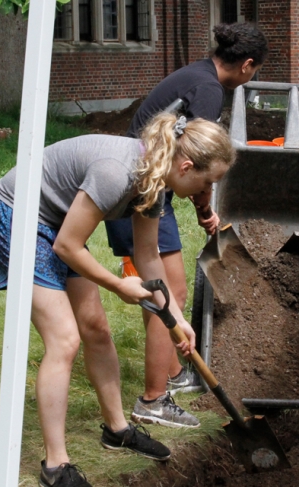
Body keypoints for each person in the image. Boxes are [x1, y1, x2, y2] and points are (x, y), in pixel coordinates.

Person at [0, 113, 236, 487]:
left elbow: (148, 255)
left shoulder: (155, 178)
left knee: (97, 329)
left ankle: (117, 429)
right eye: (208, 182)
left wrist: (177, 320)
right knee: (64, 340)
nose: (206, 193)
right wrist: (119, 286)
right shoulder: (118, 172)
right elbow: (67, 246)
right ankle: (55, 466)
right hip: (18, 214)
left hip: (56, 222)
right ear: (186, 167)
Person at [105, 22, 268, 429]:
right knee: (169, 292)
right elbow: (198, 158)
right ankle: (154, 399)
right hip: (143, 188)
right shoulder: (210, 90)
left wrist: (200, 207)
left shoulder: (198, 72)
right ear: (247, 65)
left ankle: (171, 376)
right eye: (256, 70)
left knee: (159, 291)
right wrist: (205, 209)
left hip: (144, 182)